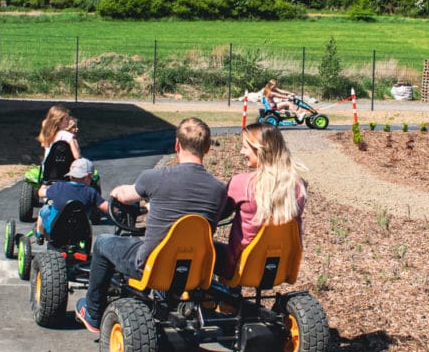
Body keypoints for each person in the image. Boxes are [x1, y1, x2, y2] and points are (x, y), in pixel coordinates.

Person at [75, 118, 227, 333]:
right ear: (208, 148)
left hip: (151, 264)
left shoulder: (153, 178)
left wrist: (117, 191)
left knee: (102, 243)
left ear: (176, 145)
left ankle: (92, 312)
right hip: (196, 268)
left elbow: (126, 195)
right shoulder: (218, 189)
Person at [218, 123, 307, 278]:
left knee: (207, 249)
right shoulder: (299, 186)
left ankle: (203, 300)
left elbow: (220, 214)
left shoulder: (241, 183)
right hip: (282, 264)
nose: (241, 151)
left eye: (245, 147)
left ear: (259, 149)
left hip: (240, 266)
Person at [34, 158, 109, 242]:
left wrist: (44, 185)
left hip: (55, 230)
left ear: (70, 175)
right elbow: (107, 208)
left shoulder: (58, 187)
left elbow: (40, 193)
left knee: (44, 210)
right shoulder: (91, 192)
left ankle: (40, 235)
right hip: (80, 231)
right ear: (88, 176)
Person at [37, 105, 81, 182]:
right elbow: (77, 157)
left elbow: (45, 123)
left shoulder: (47, 136)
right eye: (66, 119)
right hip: (66, 171)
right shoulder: (67, 136)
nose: (68, 120)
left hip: (49, 171)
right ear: (59, 120)